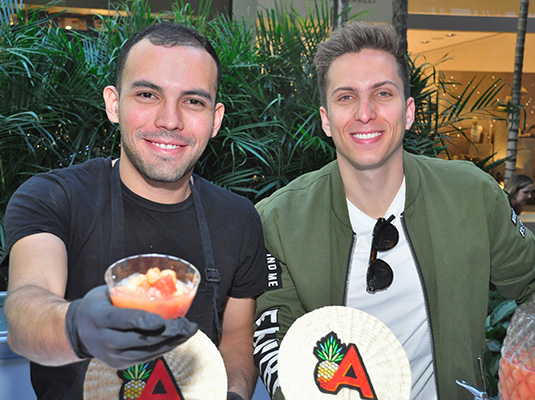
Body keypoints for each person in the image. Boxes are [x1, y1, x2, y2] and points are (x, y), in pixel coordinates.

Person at [252, 21, 535, 400]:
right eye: (346, 97)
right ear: (325, 120)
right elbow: (275, 343)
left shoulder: (472, 194)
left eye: (382, 93)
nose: (365, 113)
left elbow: (530, 281)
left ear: (409, 111)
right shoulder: (280, 219)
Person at [1, 23, 266, 400]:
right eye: (147, 94)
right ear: (114, 104)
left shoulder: (239, 219)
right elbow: (28, 307)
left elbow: (237, 338)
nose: (169, 120)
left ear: (215, 119)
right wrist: (79, 326)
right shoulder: (55, 197)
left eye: (193, 101)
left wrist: (235, 395)